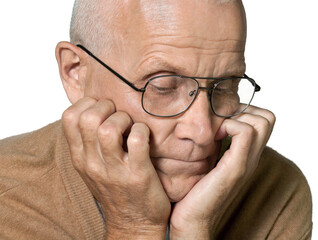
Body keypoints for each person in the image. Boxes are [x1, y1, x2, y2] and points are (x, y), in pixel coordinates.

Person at [0, 0, 312, 239]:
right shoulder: (8, 195)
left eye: (225, 86)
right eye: (162, 87)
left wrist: (194, 227)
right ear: (75, 73)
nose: (203, 132)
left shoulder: (277, 190)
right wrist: (135, 227)